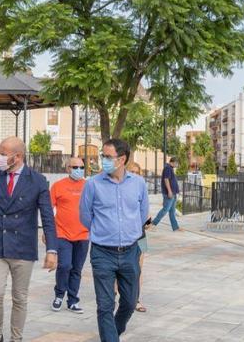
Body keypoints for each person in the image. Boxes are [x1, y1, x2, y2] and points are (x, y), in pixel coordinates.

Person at [0, 136, 58, 342]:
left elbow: (48, 217)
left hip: (23, 246)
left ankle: (17, 338)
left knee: (19, 297)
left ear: (18, 157)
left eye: (3, 153)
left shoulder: (37, 180)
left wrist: (52, 249)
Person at [80, 139, 149, 342]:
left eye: (107, 157)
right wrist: (104, 231)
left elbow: (143, 213)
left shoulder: (138, 183)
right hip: (102, 252)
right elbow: (85, 216)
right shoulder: (93, 184)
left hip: (130, 251)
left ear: (122, 159)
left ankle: (112, 333)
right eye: (103, 156)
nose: (103, 160)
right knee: (105, 305)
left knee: (129, 302)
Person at [49, 157, 89, 314]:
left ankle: (73, 300)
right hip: (62, 233)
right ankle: (59, 295)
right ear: (67, 168)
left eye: (81, 167)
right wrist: (49, 232)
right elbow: (48, 210)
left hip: (83, 234)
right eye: (75, 167)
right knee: (65, 265)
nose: (78, 170)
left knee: (77, 269)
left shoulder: (88, 186)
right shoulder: (58, 186)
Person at [125, 162, 151, 313]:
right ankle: (117, 293)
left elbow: (146, 212)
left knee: (139, 268)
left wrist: (148, 221)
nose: (135, 174)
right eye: (131, 172)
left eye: (137, 172)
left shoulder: (141, 189)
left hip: (141, 235)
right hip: (125, 236)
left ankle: (136, 299)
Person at [152, 157, 180, 231]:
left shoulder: (170, 168)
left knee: (172, 211)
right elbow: (166, 180)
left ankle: (175, 227)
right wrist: (169, 191)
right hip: (169, 193)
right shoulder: (167, 168)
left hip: (173, 193)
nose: (177, 165)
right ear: (173, 162)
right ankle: (152, 224)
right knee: (165, 210)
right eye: (177, 163)